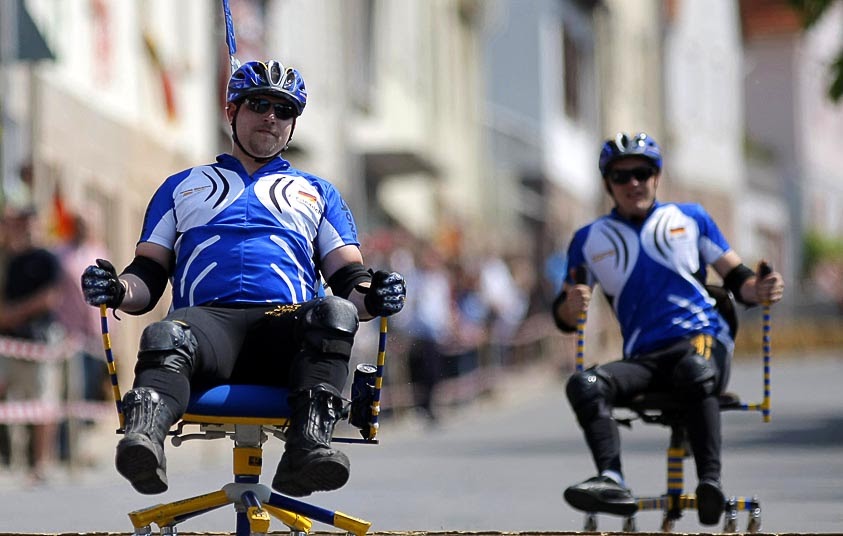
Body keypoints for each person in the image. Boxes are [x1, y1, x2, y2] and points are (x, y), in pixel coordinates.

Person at [80, 59, 406, 497]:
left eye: (284, 110)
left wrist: (377, 294)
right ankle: (143, 447)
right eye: (259, 104)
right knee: (164, 333)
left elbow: (350, 279)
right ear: (231, 111)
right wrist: (117, 289)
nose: (271, 117)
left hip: (285, 329)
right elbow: (148, 275)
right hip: (206, 331)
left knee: (336, 311)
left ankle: (306, 452)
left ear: (293, 125)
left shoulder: (318, 193)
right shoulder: (181, 186)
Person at [552, 132, 784, 525]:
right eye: (621, 176)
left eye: (642, 173)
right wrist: (570, 306)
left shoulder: (691, 219)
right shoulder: (589, 240)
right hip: (644, 357)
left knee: (695, 369)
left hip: (700, 340)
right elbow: (564, 314)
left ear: (657, 177)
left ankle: (709, 483)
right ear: (608, 184)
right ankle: (612, 479)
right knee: (584, 385)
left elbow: (738, 279)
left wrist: (760, 289)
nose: (633, 183)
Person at [0, 205, 64, 482]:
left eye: (29, 222)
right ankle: (14, 458)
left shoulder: (47, 258)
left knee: (42, 403)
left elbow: (50, 298)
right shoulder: (12, 260)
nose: (25, 228)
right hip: (11, 341)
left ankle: (41, 462)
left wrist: (15, 313)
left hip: (39, 340)